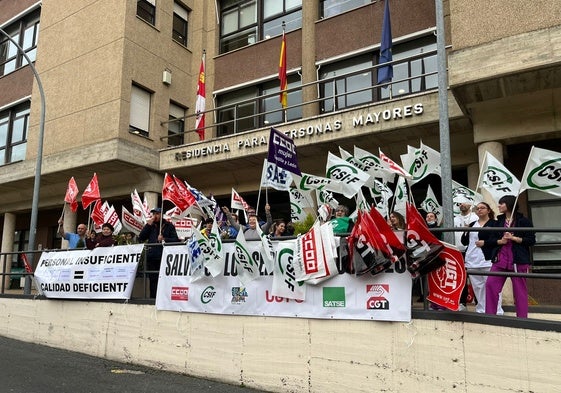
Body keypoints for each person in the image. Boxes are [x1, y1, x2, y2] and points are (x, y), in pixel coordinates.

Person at [485, 195, 535, 318]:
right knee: (490, 284)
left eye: (501, 203)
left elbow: (531, 240)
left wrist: (514, 238)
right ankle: (490, 317)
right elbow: (492, 239)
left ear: (509, 204)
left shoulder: (524, 221)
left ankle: (522, 319)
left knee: (520, 292)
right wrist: (500, 240)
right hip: (500, 260)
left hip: (518, 261)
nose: (499, 206)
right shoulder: (499, 222)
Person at [461, 202, 503, 314]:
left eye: (482, 208)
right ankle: (481, 309)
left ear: (488, 210)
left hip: (487, 259)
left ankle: (496, 310)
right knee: (478, 287)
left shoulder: (495, 224)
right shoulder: (472, 224)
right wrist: (465, 231)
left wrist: (485, 243)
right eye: (477, 208)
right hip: (472, 260)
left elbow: (500, 240)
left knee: (492, 286)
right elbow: (464, 242)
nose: (479, 210)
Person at [138, 207, 180, 298]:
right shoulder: (150, 225)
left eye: (157, 214)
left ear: (161, 214)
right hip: (152, 256)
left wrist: (164, 239)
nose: (155, 216)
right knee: (153, 279)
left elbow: (176, 239)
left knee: (165, 279)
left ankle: (164, 298)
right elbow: (141, 238)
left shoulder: (169, 225)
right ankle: (153, 299)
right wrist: (147, 225)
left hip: (164, 257)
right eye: (154, 214)